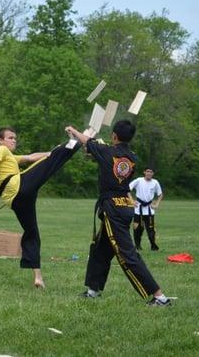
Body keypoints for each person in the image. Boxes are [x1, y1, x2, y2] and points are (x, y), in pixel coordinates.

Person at [0, 127, 82, 288]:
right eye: (10, 138)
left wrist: (50, 153)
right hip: (19, 187)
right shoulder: (0, 150)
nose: (14, 140)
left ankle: (38, 277)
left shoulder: (9, 156)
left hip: (16, 201)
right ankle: (74, 142)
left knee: (32, 233)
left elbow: (31, 157)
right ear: (1, 140)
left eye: (15, 138)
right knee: (50, 164)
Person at [66, 121, 170, 306]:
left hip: (113, 208)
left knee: (127, 254)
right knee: (100, 249)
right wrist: (93, 145)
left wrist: (73, 130)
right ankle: (93, 290)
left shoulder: (107, 151)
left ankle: (160, 297)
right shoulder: (132, 157)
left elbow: (87, 142)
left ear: (114, 135)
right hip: (125, 205)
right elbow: (93, 151)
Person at [129, 168, 163, 251]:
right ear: (144, 172)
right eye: (147, 171)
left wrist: (157, 204)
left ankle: (153, 246)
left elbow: (160, 194)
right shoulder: (139, 180)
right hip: (138, 209)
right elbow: (127, 189)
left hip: (149, 209)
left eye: (151, 172)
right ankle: (137, 246)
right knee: (137, 229)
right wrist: (132, 201)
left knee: (151, 229)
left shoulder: (155, 182)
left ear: (153, 173)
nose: (149, 173)